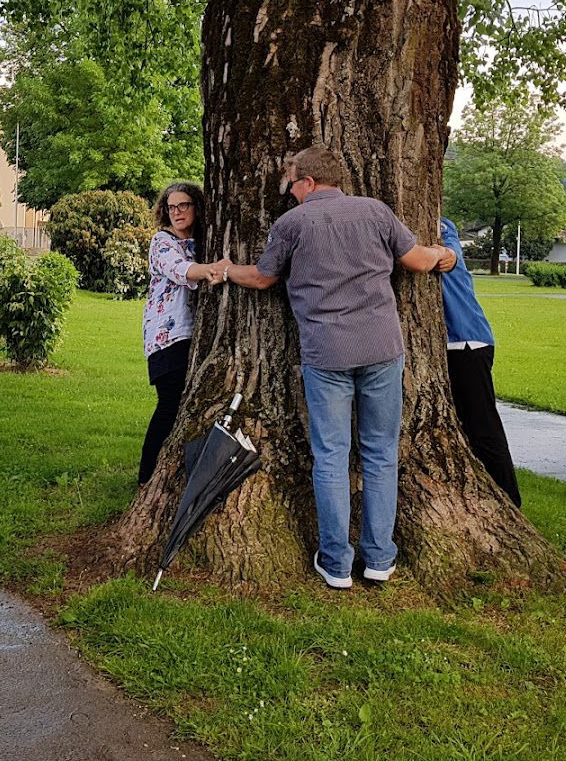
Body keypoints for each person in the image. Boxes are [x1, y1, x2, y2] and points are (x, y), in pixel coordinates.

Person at [215, 145, 453, 589]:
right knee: (381, 454)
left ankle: (337, 563)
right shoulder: (376, 212)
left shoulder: (293, 224)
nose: (289, 193)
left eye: (291, 184)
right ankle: (380, 559)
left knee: (331, 456)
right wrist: (445, 253)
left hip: (326, 354)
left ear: (306, 182)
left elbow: (263, 278)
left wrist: (227, 270)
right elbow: (420, 261)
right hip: (382, 348)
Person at [140, 182, 222, 484]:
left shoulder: (204, 240)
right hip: (166, 337)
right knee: (170, 404)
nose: (176, 212)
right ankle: (146, 476)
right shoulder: (162, 241)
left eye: (183, 205)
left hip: (192, 335)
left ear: (196, 207)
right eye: (171, 207)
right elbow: (180, 269)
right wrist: (219, 269)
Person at [438, 217, 521, 506]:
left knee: (482, 426)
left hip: (467, 343)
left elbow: (449, 256)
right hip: (456, 344)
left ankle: (509, 500)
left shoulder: (443, 228)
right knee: (463, 425)